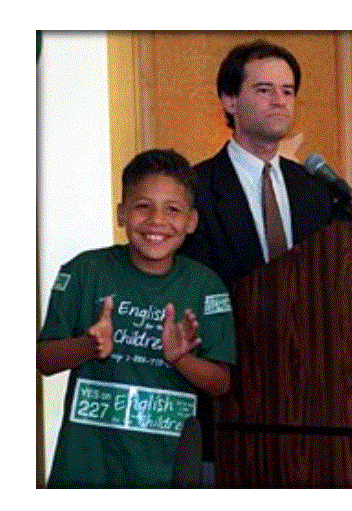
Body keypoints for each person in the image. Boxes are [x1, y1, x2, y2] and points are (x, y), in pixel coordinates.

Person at [179, 40, 343, 484]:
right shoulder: (195, 187)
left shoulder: (314, 189)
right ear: (230, 101)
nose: (279, 100)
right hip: (228, 399)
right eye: (265, 89)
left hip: (311, 403)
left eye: (288, 91)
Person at [37, 149, 235, 487]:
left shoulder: (206, 286)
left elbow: (221, 383)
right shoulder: (84, 271)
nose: (157, 220)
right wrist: (89, 346)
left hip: (166, 472)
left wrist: (181, 359)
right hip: (86, 470)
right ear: (121, 214)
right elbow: (43, 360)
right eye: (143, 206)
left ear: (191, 221)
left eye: (172, 209)